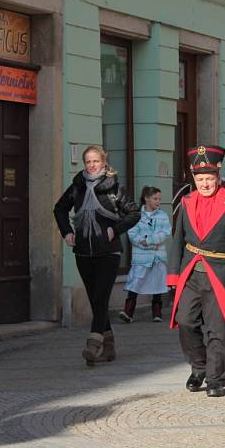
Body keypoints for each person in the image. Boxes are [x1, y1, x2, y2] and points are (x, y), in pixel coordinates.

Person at [167, 145, 225, 397]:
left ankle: (216, 378)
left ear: (218, 176)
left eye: (209, 178)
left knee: (217, 328)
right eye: (200, 179)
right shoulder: (185, 202)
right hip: (190, 272)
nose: (205, 183)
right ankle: (199, 367)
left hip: (220, 272)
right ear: (194, 179)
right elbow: (177, 240)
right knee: (185, 322)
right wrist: (173, 275)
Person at [53, 145, 140, 365]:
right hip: (83, 251)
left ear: (104, 163)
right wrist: (67, 233)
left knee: (100, 297)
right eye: (88, 162)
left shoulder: (113, 188)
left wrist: (115, 229)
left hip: (108, 252)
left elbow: (134, 212)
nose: (92, 165)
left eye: (95, 161)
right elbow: (59, 209)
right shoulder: (77, 187)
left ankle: (93, 343)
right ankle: (109, 347)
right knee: (95, 299)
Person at [120, 186, 171, 323]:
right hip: (141, 257)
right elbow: (132, 233)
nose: (158, 201)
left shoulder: (163, 216)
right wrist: (141, 241)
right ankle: (128, 312)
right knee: (135, 282)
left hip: (158, 256)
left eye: (159, 199)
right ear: (146, 198)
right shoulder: (137, 215)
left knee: (158, 284)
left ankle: (157, 312)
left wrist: (148, 240)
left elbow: (165, 232)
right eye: (155, 198)